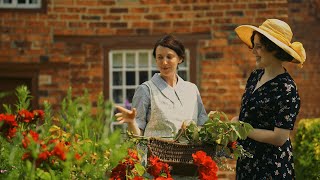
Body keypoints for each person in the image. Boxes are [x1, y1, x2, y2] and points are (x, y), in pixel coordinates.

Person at [233, 19, 306, 179]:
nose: (253, 51)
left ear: (274, 49)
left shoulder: (286, 88)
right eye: (254, 46)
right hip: (247, 163)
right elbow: (249, 117)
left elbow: (279, 137)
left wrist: (244, 129)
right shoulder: (255, 76)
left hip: (271, 168)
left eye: (258, 47)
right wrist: (236, 122)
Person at [115, 34, 207, 138]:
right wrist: (132, 123)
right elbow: (137, 138)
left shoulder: (192, 90)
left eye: (169, 57)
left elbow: (203, 126)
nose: (164, 62)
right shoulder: (145, 90)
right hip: (157, 153)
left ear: (180, 59)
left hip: (191, 154)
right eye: (160, 57)